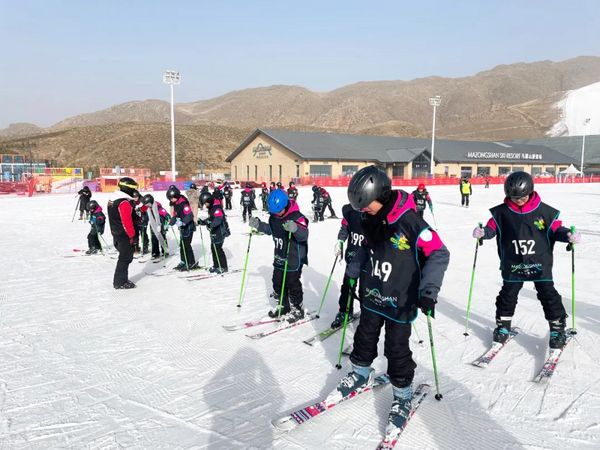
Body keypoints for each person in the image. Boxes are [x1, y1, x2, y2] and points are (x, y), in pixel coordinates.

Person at [334, 165, 449, 433]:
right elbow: (364, 249)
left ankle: (402, 394)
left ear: (382, 196)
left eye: (366, 205)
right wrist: (352, 272)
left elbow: (439, 253)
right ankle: (360, 373)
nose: (363, 211)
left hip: (401, 297)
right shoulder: (369, 219)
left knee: (397, 349)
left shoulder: (411, 221)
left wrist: (429, 291)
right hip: (374, 292)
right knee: (364, 336)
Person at [472, 171, 581, 349]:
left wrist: (568, 234)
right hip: (513, 262)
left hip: (539, 261)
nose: (518, 200)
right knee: (508, 294)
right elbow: (492, 229)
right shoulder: (501, 213)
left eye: (522, 197)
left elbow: (556, 229)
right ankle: (503, 326)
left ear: (530, 191)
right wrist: (483, 233)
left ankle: (557, 328)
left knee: (548, 294)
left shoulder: (545, 212)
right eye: (514, 198)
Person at [249, 190, 309, 322]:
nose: (277, 215)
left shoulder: (298, 217)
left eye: (279, 211)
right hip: (280, 256)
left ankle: (297, 309)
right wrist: (259, 225)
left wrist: (295, 229)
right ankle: (284, 306)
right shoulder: (274, 217)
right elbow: (271, 229)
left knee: (292, 283)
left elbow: (304, 235)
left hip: (294, 256)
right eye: (274, 212)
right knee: (277, 282)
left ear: (286, 205)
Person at [331, 202, 365, 328]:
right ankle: (345, 311)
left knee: (365, 291)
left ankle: (367, 314)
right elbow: (344, 228)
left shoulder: (374, 212)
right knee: (347, 287)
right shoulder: (351, 212)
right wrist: (340, 240)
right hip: (353, 257)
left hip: (369, 261)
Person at [107, 177, 139, 289]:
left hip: (116, 232)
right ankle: (120, 282)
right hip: (124, 234)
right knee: (125, 258)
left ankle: (122, 279)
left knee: (124, 257)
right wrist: (132, 236)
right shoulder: (123, 202)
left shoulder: (113, 199)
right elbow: (127, 222)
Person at [166, 185, 197, 271]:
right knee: (182, 245)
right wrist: (170, 223)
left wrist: (183, 222)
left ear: (175, 196)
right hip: (183, 227)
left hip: (188, 227)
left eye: (172, 199)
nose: (171, 201)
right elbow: (176, 215)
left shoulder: (183, 203)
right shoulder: (176, 203)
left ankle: (191, 262)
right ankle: (184, 261)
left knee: (186, 245)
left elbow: (190, 215)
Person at [198, 191, 230, 273]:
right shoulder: (212, 207)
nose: (205, 205)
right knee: (213, 248)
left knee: (218, 248)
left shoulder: (216, 207)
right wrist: (203, 222)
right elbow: (211, 218)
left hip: (220, 230)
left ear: (208, 200)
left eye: (205, 204)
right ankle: (216, 265)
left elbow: (218, 220)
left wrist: (210, 225)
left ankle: (223, 267)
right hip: (215, 231)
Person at [141, 194, 170, 260]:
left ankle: (165, 251)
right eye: (146, 204)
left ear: (151, 202)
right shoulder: (148, 209)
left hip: (160, 224)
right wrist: (144, 222)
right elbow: (146, 217)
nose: (147, 205)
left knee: (162, 237)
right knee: (154, 238)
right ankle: (155, 253)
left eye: (148, 204)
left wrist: (167, 219)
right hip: (153, 225)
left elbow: (165, 213)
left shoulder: (158, 207)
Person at [132, 190, 149, 255]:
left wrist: (144, 219)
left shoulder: (143, 200)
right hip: (135, 220)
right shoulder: (131, 201)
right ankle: (136, 248)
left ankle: (145, 248)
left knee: (143, 234)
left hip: (143, 220)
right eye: (134, 197)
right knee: (135, 234)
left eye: (136, 197)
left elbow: (146, 209)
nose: (135, 198)